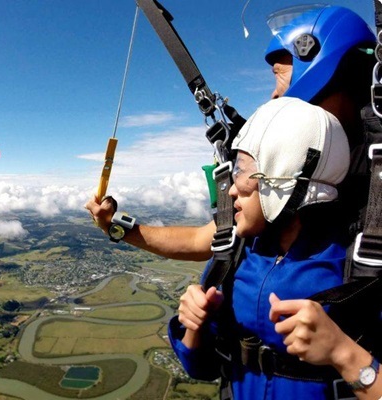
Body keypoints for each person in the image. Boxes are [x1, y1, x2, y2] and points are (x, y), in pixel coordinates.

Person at [85, 4, 376, 263]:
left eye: (278, 74)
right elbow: (205, 240)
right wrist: (117, 227)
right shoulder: (276, 165)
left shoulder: (373, 173)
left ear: (319, 65)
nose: (274, 95)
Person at [171, 97, 381, 399]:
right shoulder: (236, 255)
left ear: (283, 177)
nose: (232, 189)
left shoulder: (360, 269)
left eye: (242, 172)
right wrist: (195, 326)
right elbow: (201, 368)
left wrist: (343, 354)